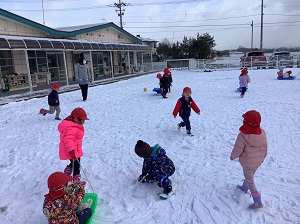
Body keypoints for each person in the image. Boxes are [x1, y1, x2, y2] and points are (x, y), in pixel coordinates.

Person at [230, 110, 268, 209]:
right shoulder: (262, 133)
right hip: (258, 161)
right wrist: (263, 158)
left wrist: (233, 156)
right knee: (250, 176)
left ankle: (257, 201)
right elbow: (265, 147)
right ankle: (244, 188)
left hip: (247, 163)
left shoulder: (243, 135)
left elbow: (238, 149)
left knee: (250, 179)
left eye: (244, 120)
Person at [58, 108, 89, 183]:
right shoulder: (72, 128)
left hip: (74, 150)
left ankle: (68, 171)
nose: (83, 122)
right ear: (75, 119)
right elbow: (68, 140)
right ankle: (76, 181)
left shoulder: (74, 126)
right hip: (72, 150)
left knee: (75, 162)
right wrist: (72, 151)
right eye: (82, 120)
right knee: (76, 165)